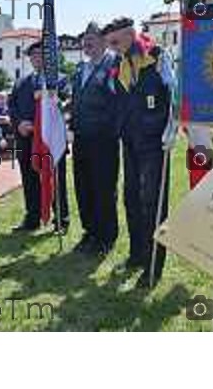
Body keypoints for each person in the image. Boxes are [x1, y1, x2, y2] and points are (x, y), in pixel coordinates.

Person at [101, 16, 175, 288]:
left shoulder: (157, 57)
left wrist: (170, 128)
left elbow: (174, 95)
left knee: (153, 202)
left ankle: (154, 265)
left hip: (155, 142)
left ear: (130, 35)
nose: (112, 47)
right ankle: (137, 254)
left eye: (115, 41)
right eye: (109, 43)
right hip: (130, 140)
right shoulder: (119, 65)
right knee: (131, 197)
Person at [9, 40, 69, 233]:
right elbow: (13, 107)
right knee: (29, 178)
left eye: (40, 55)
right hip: (27, 140)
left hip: (51, 140)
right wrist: (19, 123)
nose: (36, 59)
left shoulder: (60, 81)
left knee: (56, 179)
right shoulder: (21, 83)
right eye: (33, 56)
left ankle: (61, 218)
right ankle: (32, 217)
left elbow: (66, 106)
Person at [71, 22, 120, 257]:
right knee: (83, 187)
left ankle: (106, 237)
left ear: (103, 40)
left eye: (91, 38)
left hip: (103, 140)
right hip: (81, 138)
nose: (86, 43)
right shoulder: (81, 69)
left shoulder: (114, 64)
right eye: (84, 39)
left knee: (103, 188)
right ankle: (90, 232)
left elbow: (118, 102)